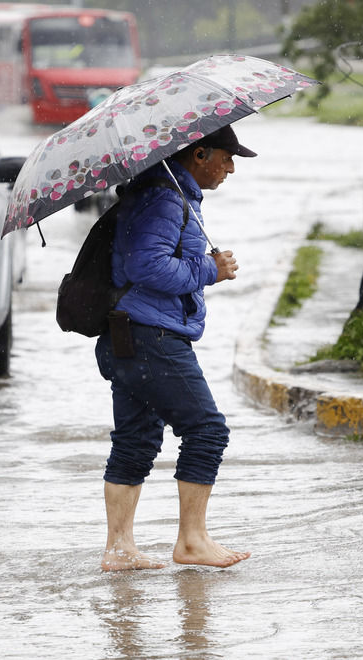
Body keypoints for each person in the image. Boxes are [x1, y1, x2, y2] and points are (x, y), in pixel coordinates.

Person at [95, 124, 254, 571]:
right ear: (199, 155)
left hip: (126, 335)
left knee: (135, 439)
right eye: (227, 156)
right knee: (207, 431)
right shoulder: (165, 198)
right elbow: (148, 267)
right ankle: (191, 541)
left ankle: (119, 549)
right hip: (151, 338)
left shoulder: (159, 193)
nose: (231, 168)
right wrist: (210, 269)